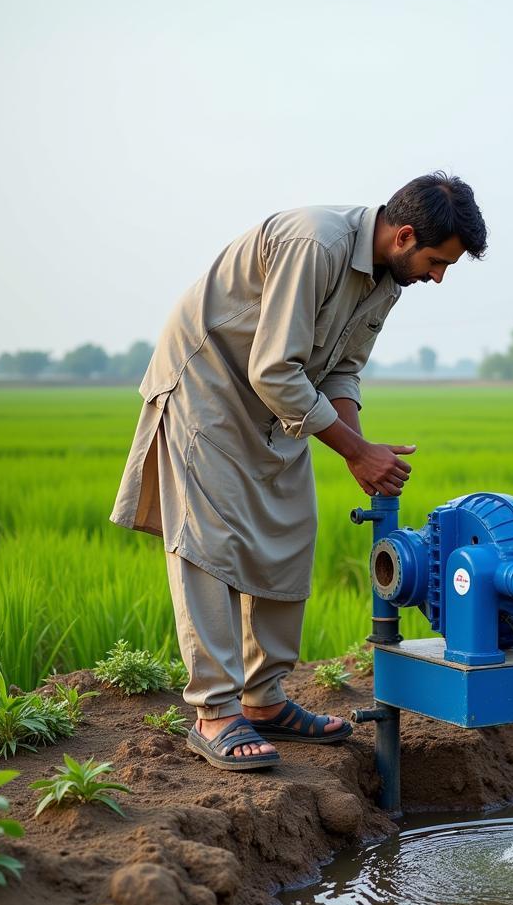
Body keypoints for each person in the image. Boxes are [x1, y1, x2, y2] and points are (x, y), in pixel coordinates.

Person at [110, 172, 487, 769]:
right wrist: (353, 451)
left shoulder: (389, 280)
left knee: (290, 528)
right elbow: (273, 369)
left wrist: (360, 451)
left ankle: (264, 699)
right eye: (438, 262)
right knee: (209, 545)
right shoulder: (316, 245)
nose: (438, 277)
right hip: (208, 384)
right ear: (405, 235)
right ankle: (214, 711)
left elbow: (340, 371)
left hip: (276, 399)